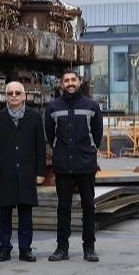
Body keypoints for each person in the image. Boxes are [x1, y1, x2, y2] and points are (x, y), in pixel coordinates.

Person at [44, 69, 103, 262]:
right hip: (63, 165)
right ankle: (62, 248)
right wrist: (60, 153)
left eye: (73, 80)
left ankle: (89, 248)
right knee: (63, 207)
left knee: (88, 207)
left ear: (79, 82)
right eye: (66, 80)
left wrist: (89, 152)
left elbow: (97, 135)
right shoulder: (53, 107)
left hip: (85, 164)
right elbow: (51, 135)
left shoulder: (92, 106)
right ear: (61, 84)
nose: (70, 83)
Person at [0, 82, 46, 262]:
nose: (14, 96)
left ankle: (25, 249)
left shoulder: (35, 117)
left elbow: (40, 146)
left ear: (24, 96)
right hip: (4, 174)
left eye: (17, 93)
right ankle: (4, 248)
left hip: (27, 173)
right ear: (6, 96)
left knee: (26, 214)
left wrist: (40, 172)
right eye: (10, 93)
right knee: (4, 215)